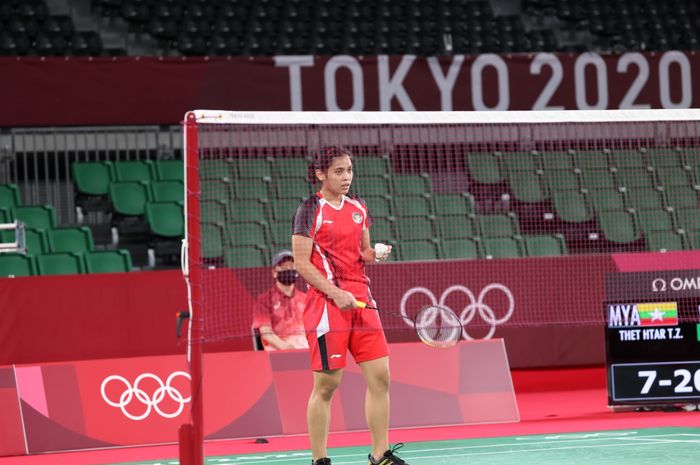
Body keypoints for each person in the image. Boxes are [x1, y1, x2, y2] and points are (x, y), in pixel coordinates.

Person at [291, 146, 408, 465]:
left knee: (381, 377)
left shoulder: (359, 206)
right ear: (321, 174)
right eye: (339, 171)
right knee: (327, 384)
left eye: (350, 171)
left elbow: (363, 251)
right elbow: (302, 263)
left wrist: (376, 254)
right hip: (327, 305)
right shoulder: (310, 209)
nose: (346, 178)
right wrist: (334, 292)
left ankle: (380, 453)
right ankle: (319, 459)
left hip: (362, 301)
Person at [251, 250, 308, 351]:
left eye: (292, 266)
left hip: (304, 346)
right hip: (277, 348)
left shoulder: (306, 299)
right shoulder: (264, 300)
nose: (288, 269)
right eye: (284, 266)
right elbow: (266, 333)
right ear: (274, 272)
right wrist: (286, 347)